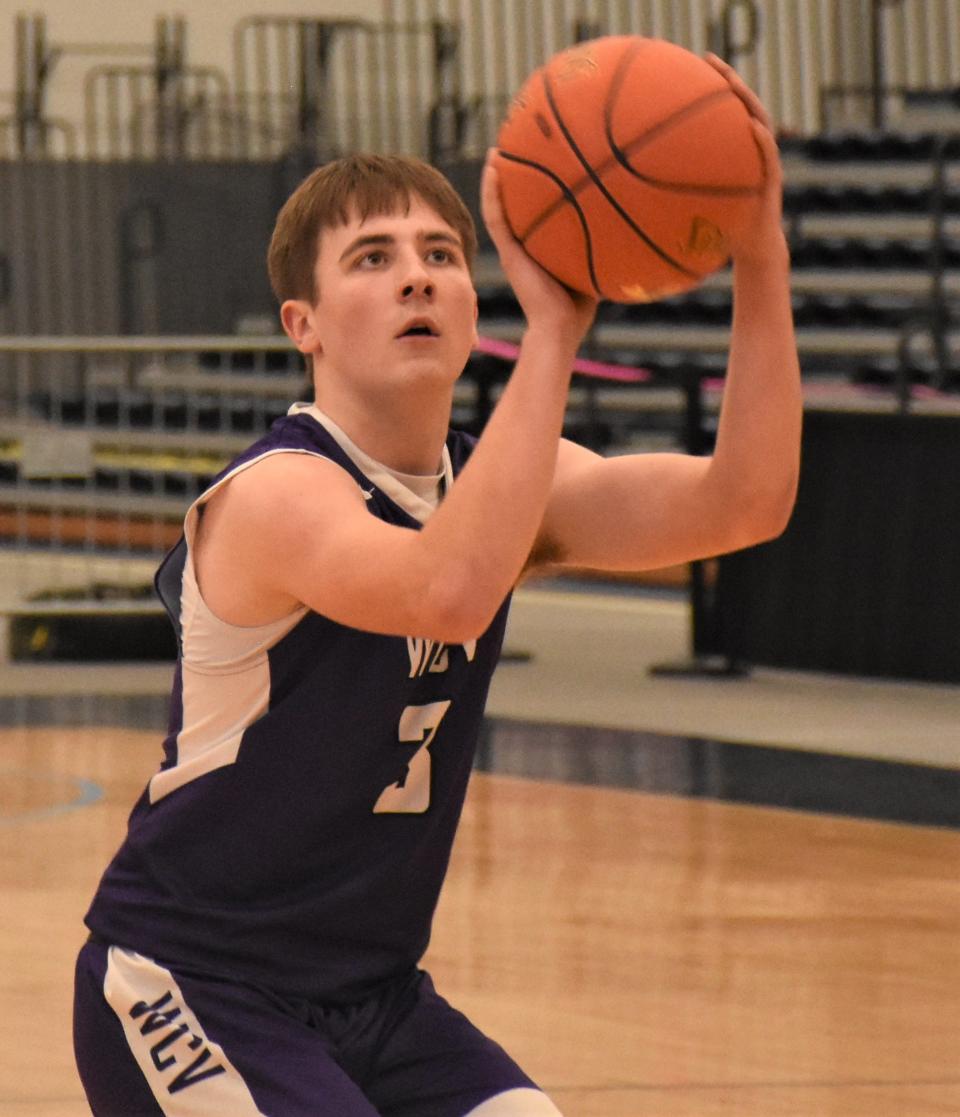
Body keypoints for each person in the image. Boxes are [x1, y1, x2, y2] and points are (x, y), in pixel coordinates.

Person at [73, 55, 800, 1117]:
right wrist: (556, 327)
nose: (416, 275)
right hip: (190, 982)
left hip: (376, 1002)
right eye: (371, 258)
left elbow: (745, 502)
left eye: (442, 254)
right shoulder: (278, 496)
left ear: (471, 300)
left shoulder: (505, 484)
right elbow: (448, 588)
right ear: (302, 324)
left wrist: (762, 251)